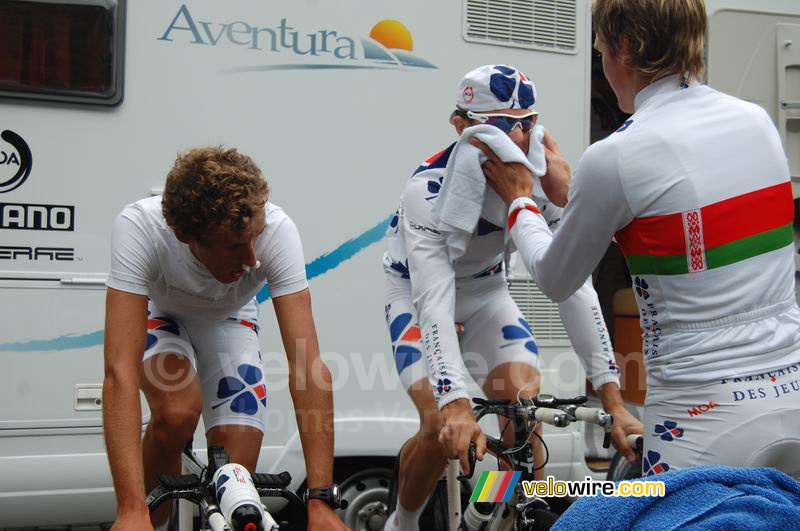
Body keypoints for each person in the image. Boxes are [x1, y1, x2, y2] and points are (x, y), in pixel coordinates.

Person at [475, 0, 800, 477]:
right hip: (790, 390)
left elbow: (555, 278)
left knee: (608, 507)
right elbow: (681, 229)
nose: (602, 64)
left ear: (625, 48)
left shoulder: (616, 156)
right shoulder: (756, 120)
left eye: (600, 50)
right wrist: (581, 200)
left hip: (702, 417)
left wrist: (521, 199)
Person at [382, 65, 642, 531]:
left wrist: (614, 400)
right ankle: (402, 522)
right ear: (461, 127)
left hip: (485, 291)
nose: (520, 140)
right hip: (418, 295)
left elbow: (573, 287)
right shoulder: (427, 188)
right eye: (503, 127)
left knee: (524, 414)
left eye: (528, 123)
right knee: (438, 426)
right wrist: (454, 402)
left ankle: (495, 515)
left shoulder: (541, 181)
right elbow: (434, 299)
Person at [102, 147, 349, 530]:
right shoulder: (140, 228)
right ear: (184, 235)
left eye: (255, 238)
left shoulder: (279, 231)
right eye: (235, 245)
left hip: (232, 318)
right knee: (177, 411)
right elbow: (120, 372)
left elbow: (308, 365)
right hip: (162, 313)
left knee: (236, 487)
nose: (253, 259)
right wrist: (129, 508)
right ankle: (148, 515)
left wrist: (320, 500)